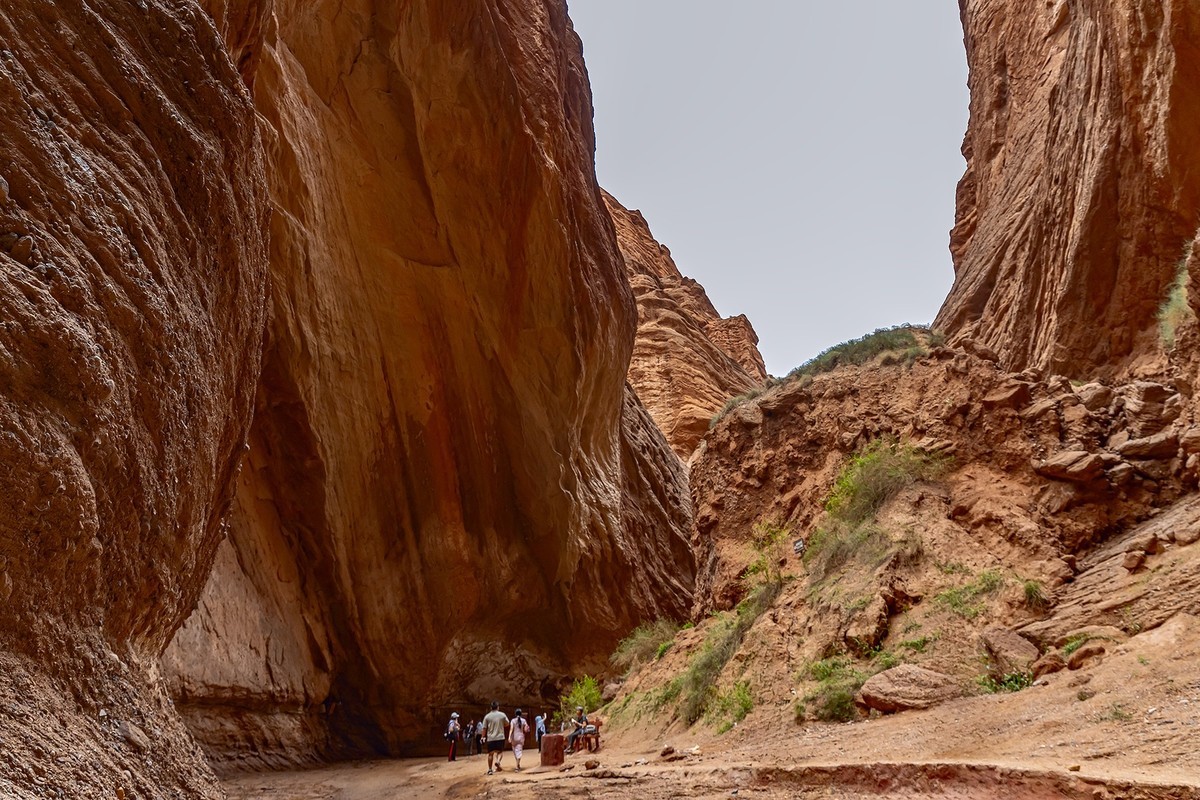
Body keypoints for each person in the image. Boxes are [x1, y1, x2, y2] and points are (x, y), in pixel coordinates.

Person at [481, 700, 509, 775]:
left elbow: (484, 728)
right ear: (498, 707)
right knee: (500, 752)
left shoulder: (487, 716)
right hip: (500, 737)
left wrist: (483, 737)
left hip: (491, 738)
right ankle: (498, 761)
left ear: (491, 708)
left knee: (490, 754)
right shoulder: (502, 715)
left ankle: (490, 770)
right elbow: (507, 724)